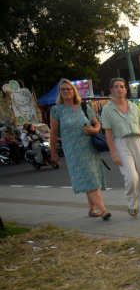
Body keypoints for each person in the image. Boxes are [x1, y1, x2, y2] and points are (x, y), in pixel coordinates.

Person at [49, 79, 110, 220]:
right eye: (62, 89)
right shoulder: (57, 110)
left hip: (89, 148)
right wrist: (53, 153)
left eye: (68, 89)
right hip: (73, 151)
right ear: (60, 93)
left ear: (73, 91)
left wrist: (94, 130)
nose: (65, 91)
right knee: (88, 178)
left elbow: (97, 124)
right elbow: (53, 133)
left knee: (90, 178)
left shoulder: (84, 107)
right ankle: (103, 210)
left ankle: (91, 209)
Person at [101, 77, 140, 218]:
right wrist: (113, 154)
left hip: (138, 142)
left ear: (126, 90)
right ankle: (132, 205)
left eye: (121, 86)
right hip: (121, 143)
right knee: (132, 177)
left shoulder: (134, 106)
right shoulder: (107, 109)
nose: (119, 89)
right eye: (116, 87)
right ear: (111, 90)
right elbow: (108, 134)